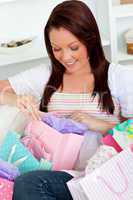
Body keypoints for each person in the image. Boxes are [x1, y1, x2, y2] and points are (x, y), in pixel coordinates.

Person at [0, 0, 133, 199]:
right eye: (56, 49)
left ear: (90, 39)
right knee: (25, 183)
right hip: (62, 175)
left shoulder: (118, 76)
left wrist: (98, 124)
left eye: (73, 47)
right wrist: (14, 99)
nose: (65, 57)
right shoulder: (47, 75)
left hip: (104, 174)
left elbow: (130, 134)